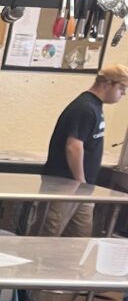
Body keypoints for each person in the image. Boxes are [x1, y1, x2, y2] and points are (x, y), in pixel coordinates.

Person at [40, 64, 128, 237]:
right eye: (122, 88)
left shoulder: (95, 107)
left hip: (83, 187)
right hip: (65, 184)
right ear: (107, 83)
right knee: (51, 232)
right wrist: (80, 180)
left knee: (79, 238)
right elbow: (73, 146)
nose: (123, 94)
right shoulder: (85, 108)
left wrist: (84, 185)